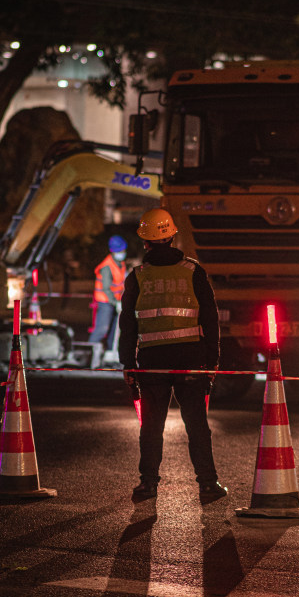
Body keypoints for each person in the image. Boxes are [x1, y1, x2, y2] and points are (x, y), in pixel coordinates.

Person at [119, 209, 227, 502]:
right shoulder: (193, 271)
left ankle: (148, 484)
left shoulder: (138, 276)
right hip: (191, 360)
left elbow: (127, 324)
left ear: (145, 241)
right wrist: (212, 360)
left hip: (152, 362)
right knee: (197, 424)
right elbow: (210, 319)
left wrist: (127, 364)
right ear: (172, 236)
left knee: (152, 426)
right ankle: (207, 484)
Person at [88, 235, 127, 363]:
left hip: (116, 301)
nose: (122, 253)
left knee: (115, 329)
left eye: (123, 250)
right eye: (120, 251)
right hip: (105, 302)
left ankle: (110, 353)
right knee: (102, 328)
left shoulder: (120, 263)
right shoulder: (107, 267)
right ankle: (90, 355)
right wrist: (115, 302)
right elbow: (106, 288)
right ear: (113, 251)